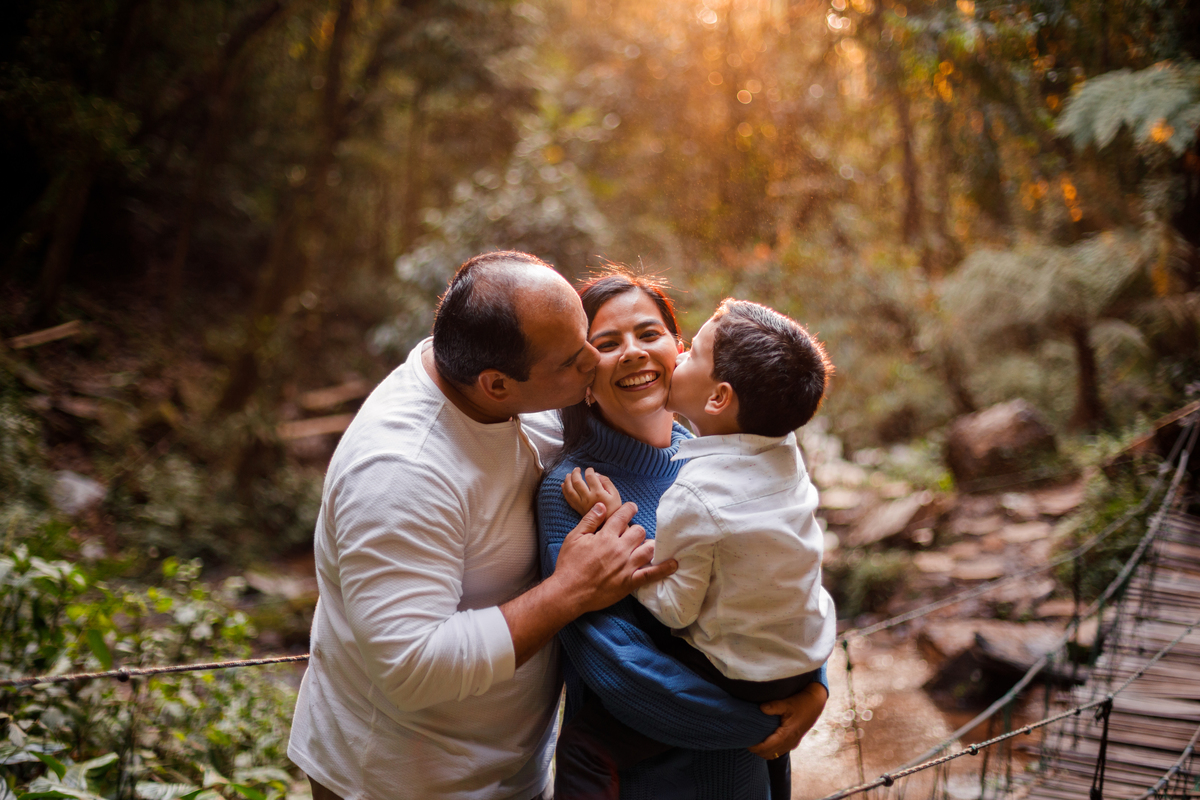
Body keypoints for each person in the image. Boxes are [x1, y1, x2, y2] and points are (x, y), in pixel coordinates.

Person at [287, 251, 678, 800]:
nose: (594, 361)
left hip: (515, 769)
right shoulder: (400, 473)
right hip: (398, 780)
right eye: (574, 358)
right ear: (496, 386)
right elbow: (411, 665)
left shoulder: (507, 374)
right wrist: (570, 591)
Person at [537, 272, 830, 800]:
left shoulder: (727, 454)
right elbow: (624, 672)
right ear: (583, 373)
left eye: (649, 334)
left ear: (677, 349)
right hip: (656, 782)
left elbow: (785, 579)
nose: (632, 353)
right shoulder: (573, 491)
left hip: (749, 775)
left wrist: (815, 686)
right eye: (607, 344)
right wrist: (773, 721)